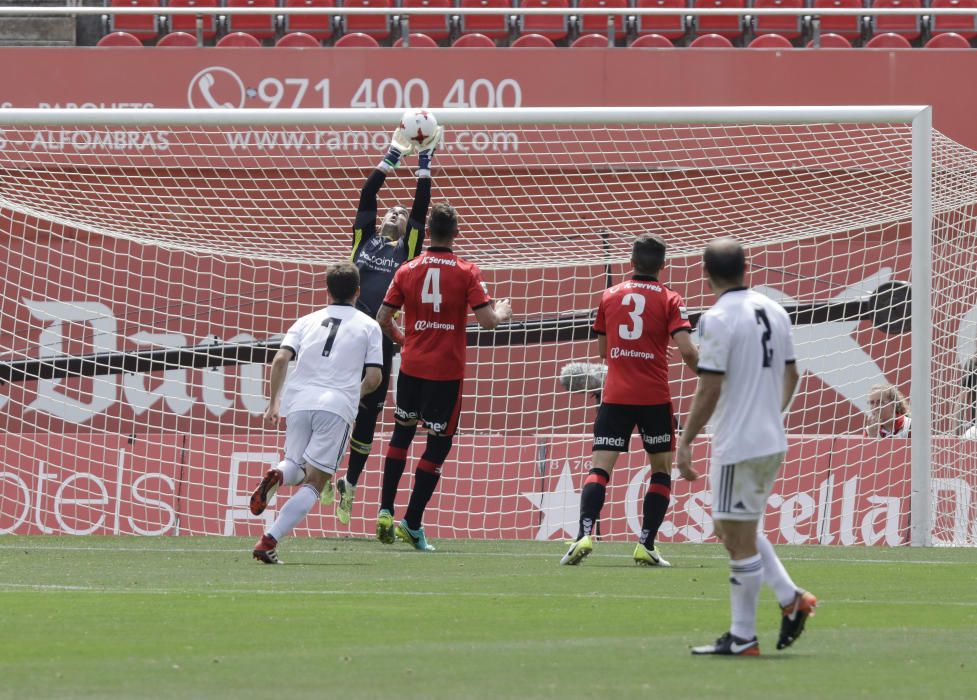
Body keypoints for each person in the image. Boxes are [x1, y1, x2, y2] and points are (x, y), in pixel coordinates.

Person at [676, 238, 816, 656]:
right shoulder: (774, 309)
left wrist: (685, 441)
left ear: (705, 272)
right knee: (735, 528)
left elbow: (709, 388)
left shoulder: (717, 318)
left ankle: (743, 636)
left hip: (738, 443)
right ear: (746, 267)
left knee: (735, 538)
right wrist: (771, 413)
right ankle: (791, 597)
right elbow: (793, 373)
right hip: (770, 438)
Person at [374, 203, 512, 551]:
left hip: (411, 368)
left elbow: (382, 316)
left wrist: (405, 340)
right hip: (445, 373)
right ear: (456, 232)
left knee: (400, 435)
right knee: (438, 444)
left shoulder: (407, 269)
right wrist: (502, 312)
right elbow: (487, 322)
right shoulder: (467, 271)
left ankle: (385, 509)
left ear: (429, 231)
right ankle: (413, 523)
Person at [560, 233, 698, 568]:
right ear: (663, 266)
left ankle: (584, 533)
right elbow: (687, 351)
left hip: (617, 394)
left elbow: (603, 351)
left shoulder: (609, 295)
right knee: (661, 471)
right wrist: (710, 373)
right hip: (653, 397)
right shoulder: (671, 299)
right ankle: (646, 544)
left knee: (599, 469)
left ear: (630, 262)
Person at [331, 120, 443, 526]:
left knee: (368, 413)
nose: (395, 213)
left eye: (400, 212)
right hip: (346, 335)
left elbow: (420, 208)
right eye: (390, 211)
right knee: (338, 405)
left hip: (380, 340)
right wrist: (392, 157)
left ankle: (351, 485)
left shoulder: (407, 251)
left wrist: (425, 163)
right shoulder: (363, 241)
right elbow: (367, 193)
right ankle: (325, 470)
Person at [250, 262, 383, 564]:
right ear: (358, 291)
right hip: (335, 407)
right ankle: (269, 540)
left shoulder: (306, 320)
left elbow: (281, 359)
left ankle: (278, 474)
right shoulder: (368, 325)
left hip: (298, 402)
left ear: (327, 290)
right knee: (315, 482)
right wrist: (352, 394)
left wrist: (273, 403)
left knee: (295, 465)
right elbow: (374, 378)